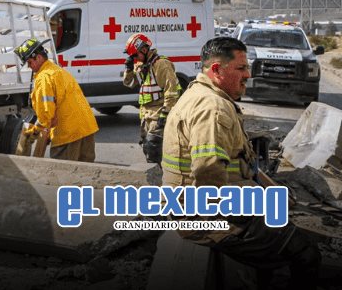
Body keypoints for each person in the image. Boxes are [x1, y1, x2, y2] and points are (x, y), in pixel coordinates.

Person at [162, 37, 320, 288]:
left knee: (279, 239)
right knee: (306, 253)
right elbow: (206, 170)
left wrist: (270, 191)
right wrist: (234, 219)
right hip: (204, 216)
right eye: (241, 68)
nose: (248, 74)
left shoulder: (201, 93)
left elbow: (241, 161)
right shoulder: (212, 108)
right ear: (216, 69)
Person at [13, 38, 98, 162]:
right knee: (85, 175)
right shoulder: (58, 71)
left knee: (63, 174)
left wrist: (34, 132)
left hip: (68, 134)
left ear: (39, 58)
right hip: (87, 128)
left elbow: (46, 114)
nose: (30, 67)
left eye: (30, 62)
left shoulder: (44, 78)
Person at [121, 33, 181, 163]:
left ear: (144, 49)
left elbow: (172, 92)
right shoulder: (142, 65)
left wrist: (165, 116)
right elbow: (129, 83)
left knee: (156, 152)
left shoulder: (161, 64)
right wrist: (128, 68)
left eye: (135, 55)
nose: (134, 58)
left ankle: (166, 180)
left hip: (157, 115)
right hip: (146, 116)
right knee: (148, 151)